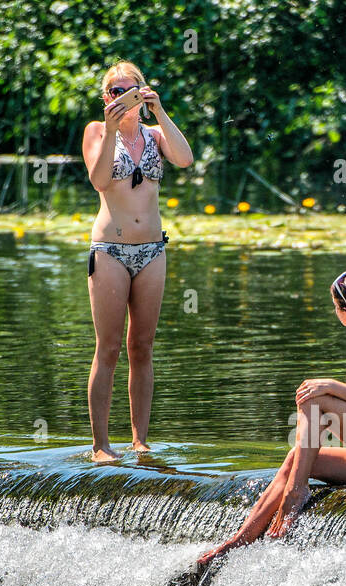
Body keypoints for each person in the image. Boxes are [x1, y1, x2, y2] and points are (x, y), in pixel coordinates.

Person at [198, 268, 346, 564]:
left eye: (334, 306)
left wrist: (331, 385)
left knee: (316, 398)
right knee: (296, 459)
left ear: (344, 311)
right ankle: (241, 539)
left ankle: (295, 493)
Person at [82, 60, 193, 460]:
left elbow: (185, 159)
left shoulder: (156, 133)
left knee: (142, 346)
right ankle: (100, 445)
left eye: (129, 90)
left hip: (152, 251)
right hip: (110, 250)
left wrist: (159, 110)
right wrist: (112, 128)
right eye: (114, 92)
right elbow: (98, 179)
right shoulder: (97, 131)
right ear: (105, 99)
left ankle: (140, 440)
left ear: (141, 92)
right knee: (108, 347)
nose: (121, 97)